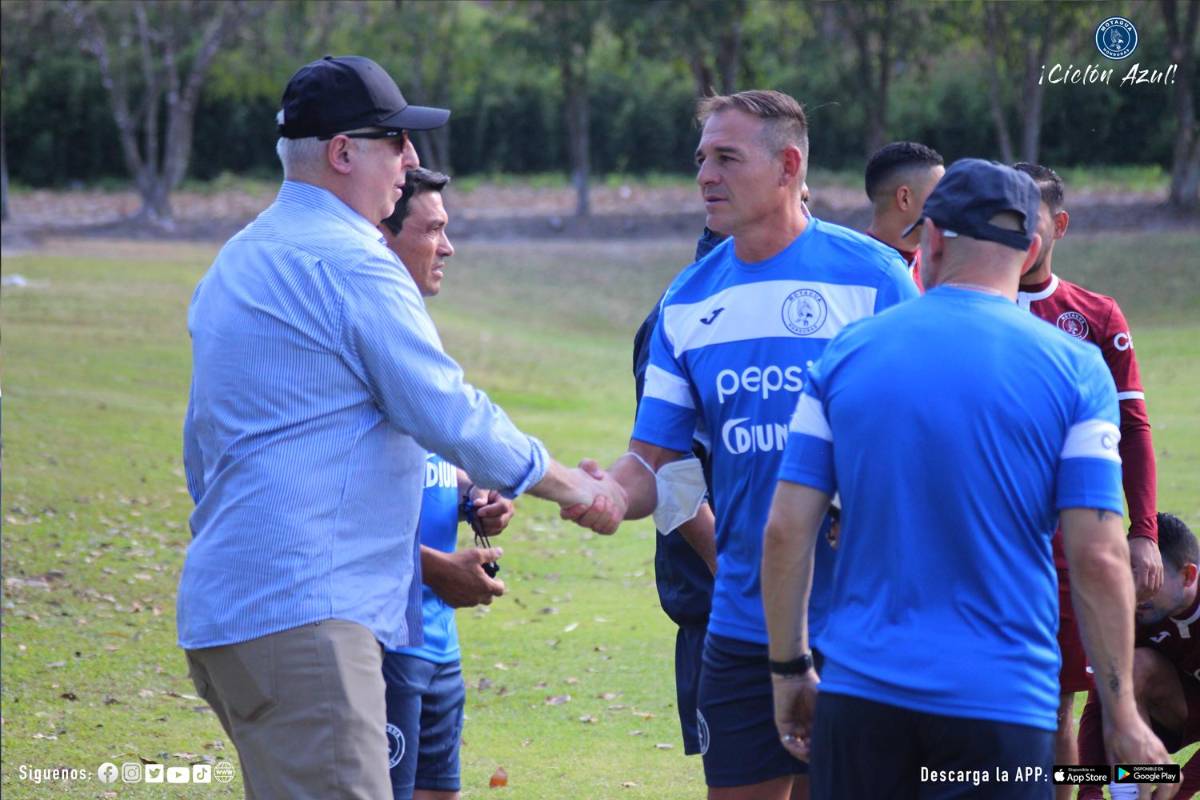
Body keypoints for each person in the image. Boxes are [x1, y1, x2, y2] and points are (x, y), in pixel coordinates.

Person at [179, 55, 624, 799]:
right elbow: (449, 412)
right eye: (395, 140)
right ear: (342, 152)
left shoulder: (237, 259)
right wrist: (577, 488)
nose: (411, 158)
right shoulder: (355, 260)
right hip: (308, 622)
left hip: (229, 617)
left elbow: (202, 452)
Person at [761, 158, 1173, 799]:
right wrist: (1122, 715)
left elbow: (787, 529)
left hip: (861, 698)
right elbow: (1098, 557)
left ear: (931, 239)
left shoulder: (845, 352)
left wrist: (789, 670)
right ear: (1030, 248)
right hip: (999, 707)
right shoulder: (1076, 370)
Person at [568, 89, 917, 800]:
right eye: (702, 159)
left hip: (863, 620)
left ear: (788, 166)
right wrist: (608, 493)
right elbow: (652, 459)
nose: (705, 176)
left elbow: (924, 433)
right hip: (740, 620)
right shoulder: (687, 300)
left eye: (727, 158)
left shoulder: (875, 279)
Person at [1012, 162, 1161, 790]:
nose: (1016, 233)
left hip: (1066, 543)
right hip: (985, 536)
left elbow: (1133, 428)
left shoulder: (1093, 316)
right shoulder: (955, 308)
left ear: (1061, 225)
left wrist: (1144, 531)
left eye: (1030, 222)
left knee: (1055, 707)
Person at [375, 167, 513, 800]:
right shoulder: (367, 337)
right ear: (386, 236)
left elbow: (424, 456)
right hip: (386, 640)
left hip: (440, 644)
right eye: (433, 230)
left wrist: (470, 496)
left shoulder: (415, 335)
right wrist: (436, 568)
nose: (448, 247)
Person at [1077, 512, 1200, 800]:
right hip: (1176, 709)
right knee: (1127, 670)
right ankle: (1130, 794)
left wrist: (1176, 795)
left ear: (1188, 576)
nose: (1135, 589)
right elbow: (1102, 699)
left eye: (1150, 577)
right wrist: (1089, 790)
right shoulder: (1131, 607)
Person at [863, 141, 944, 291]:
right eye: (939, 195)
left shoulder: (937, 271)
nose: (948, 205)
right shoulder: (856, 277)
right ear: (904, 198)